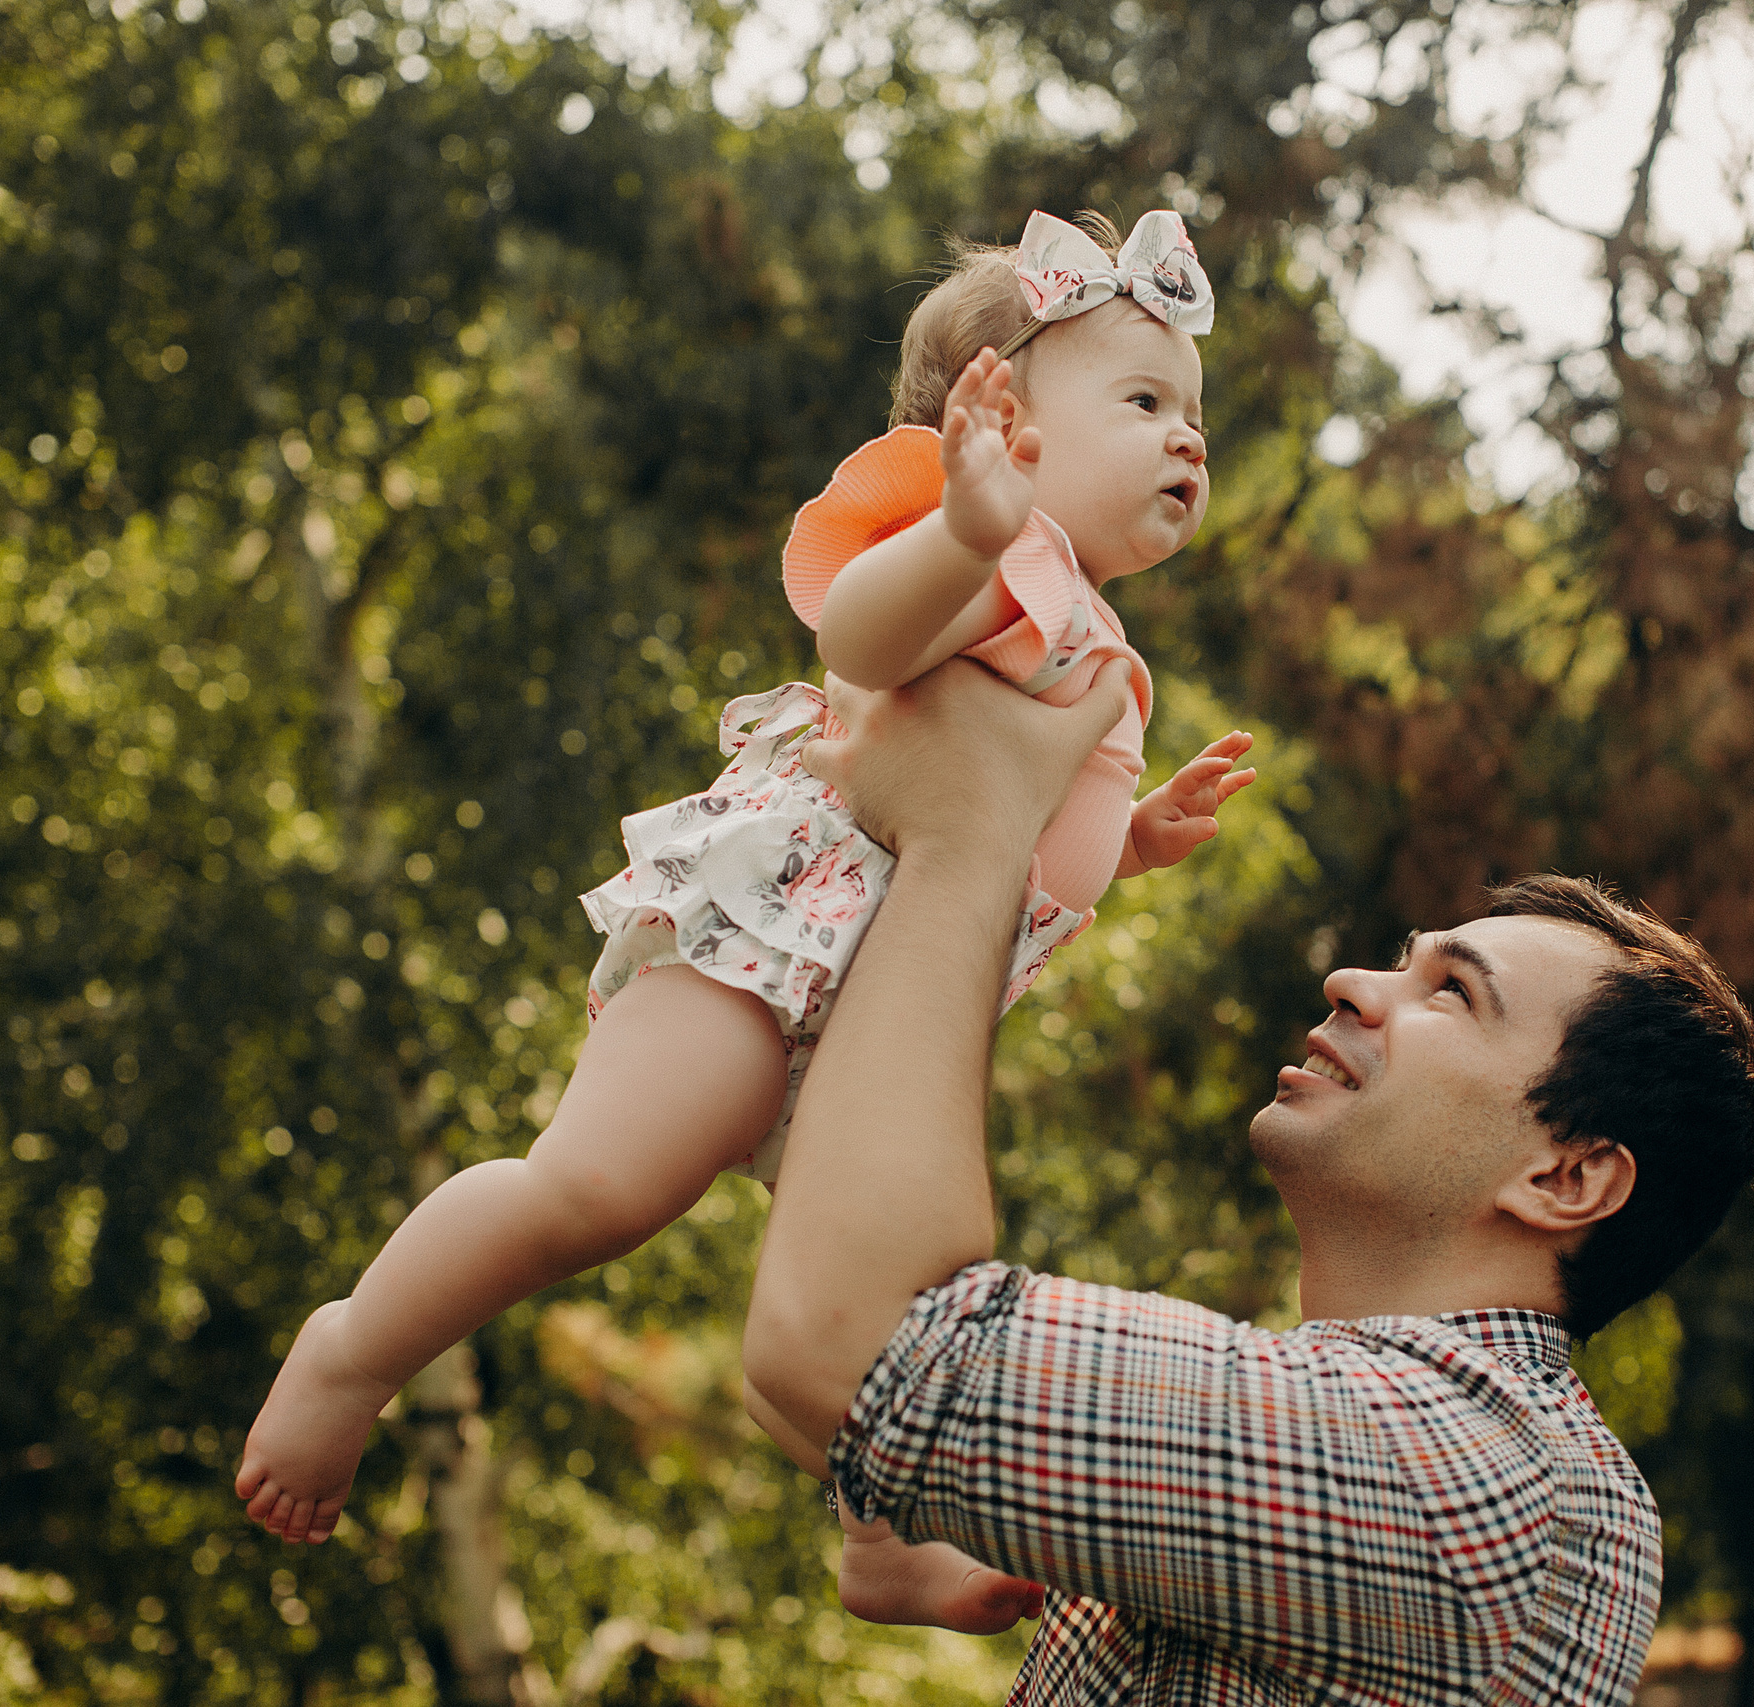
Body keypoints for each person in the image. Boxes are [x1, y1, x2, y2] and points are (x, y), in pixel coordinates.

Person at [234, 211, 1256, 1633]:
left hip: (886, 1002)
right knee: (595, 1190)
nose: (1188, 439)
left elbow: (1003, 819)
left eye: (1195, 415)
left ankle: (890, 1540)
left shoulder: (1087, 628)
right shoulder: (986, 552)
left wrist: (1130, 845)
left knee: (891, 1276)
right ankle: (352, 1347)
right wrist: (962, 526)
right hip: (777, 938)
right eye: (1145, 402)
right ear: (1000, 422)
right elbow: (862, 646)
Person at [743, 659, 1754, 1703]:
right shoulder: (1361, 1439)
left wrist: (966, 831)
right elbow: (835, 1346)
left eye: (1452, 994)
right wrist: (897, 1500)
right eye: (1402, 959)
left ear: (1567, 1177)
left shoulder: (1475, 1474)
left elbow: (853, 1343)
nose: (1352, 982)